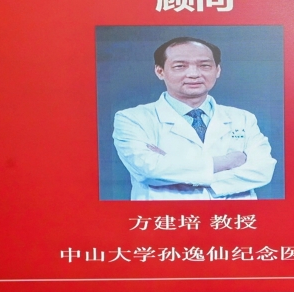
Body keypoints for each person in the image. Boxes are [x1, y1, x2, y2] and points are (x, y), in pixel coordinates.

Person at [113, 37, 276, 200]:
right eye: (180, 66)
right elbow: (149, 170)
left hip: (231, 215)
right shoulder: (132, 119)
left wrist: (177, 170)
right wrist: (225, 162)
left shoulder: (243, 118)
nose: (194, 74)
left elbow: (263, 170)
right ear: (160, 71)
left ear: (218, 70)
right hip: (168, 215)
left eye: (204, 65)